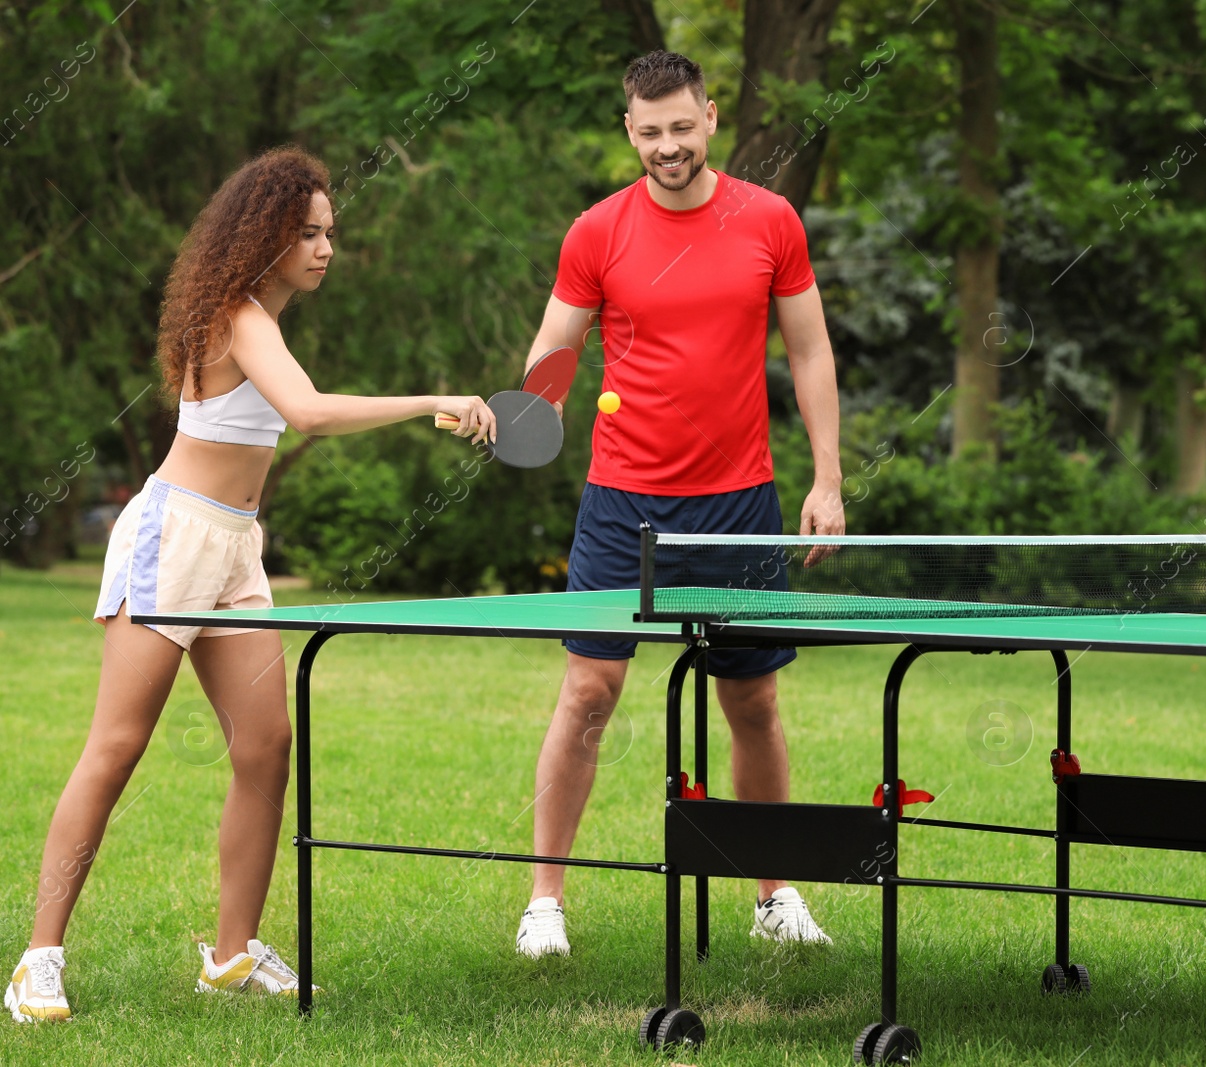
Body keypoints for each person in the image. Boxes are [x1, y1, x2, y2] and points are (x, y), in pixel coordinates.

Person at [6, 146, 494, 1024]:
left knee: (266, 745)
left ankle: (231, 955)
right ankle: (37, 958)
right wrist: (430, 402)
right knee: (116, 749)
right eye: (306, 232)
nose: (324, 247)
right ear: (262, 235)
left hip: (233, 547)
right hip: (173, 539)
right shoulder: (238, 317)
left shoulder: (258, 317)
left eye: (329, 232)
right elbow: (307, 412)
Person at [514, 50, 845, 958]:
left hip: (740, 502)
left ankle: (774, 891)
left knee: (753, 701)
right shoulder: (597, 232)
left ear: (709, 117)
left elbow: (810, 353)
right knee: (589, 688)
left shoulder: (770, 220)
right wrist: (522, 412)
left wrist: (828, 477)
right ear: (631, 131)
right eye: (650, 131)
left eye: (682, 126)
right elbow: (556, 349)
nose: (668, 145)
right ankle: (545, 901)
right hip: (623, 502)